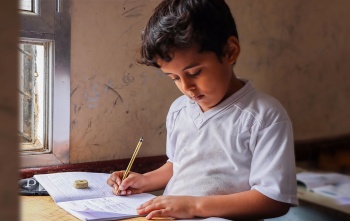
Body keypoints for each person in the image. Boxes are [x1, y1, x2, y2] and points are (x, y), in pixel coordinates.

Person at [107, 0, 298, 220]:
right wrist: (144, 180)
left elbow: (274, 199)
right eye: (174, 78)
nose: (186, 88)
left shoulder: (264, 116)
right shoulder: (179, 110)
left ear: (230, 51)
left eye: (195, 72)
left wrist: (195, 206)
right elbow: (179, 165)